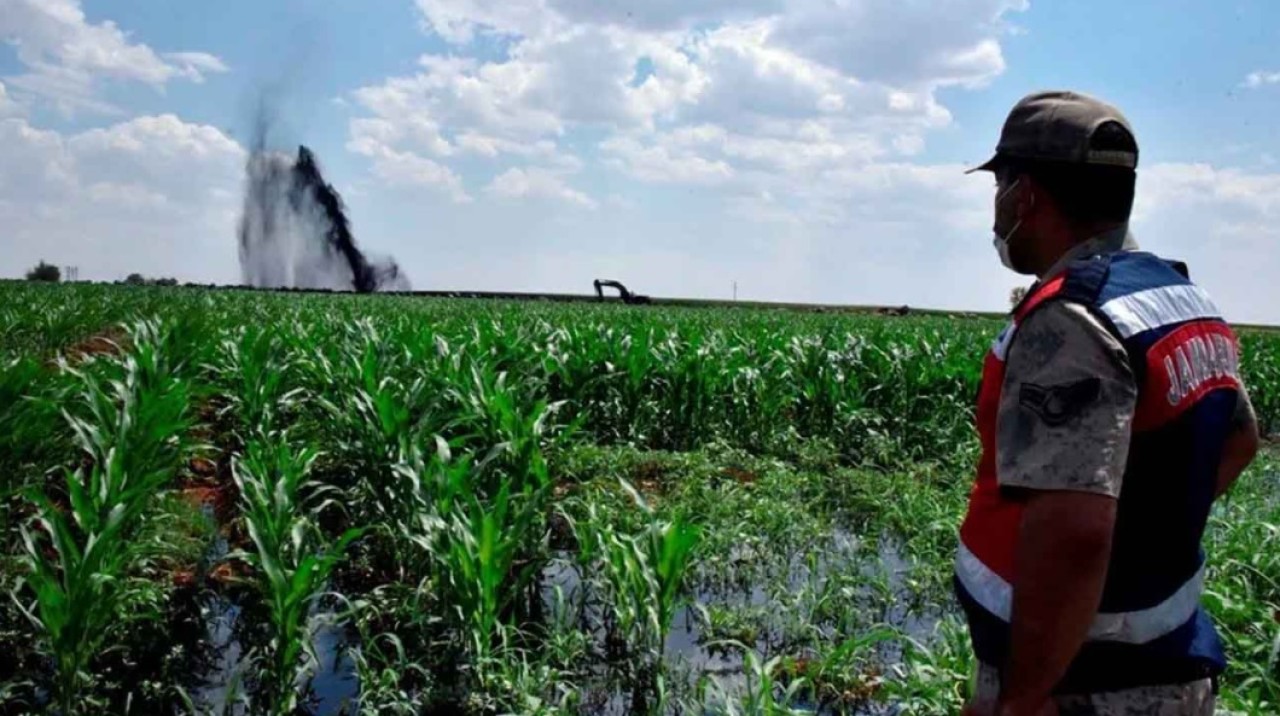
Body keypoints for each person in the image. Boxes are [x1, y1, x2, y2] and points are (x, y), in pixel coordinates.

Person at [955, 90, 1261, 716]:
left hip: (1083, 682)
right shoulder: (1178, 295)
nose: (996, 211)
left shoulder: (1071, 322)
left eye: (1000, 188)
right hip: (1164, 659)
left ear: (1026, 196)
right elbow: (1239, 440)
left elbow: (1074, 531)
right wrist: (1146, 541)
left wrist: (1025, 695)